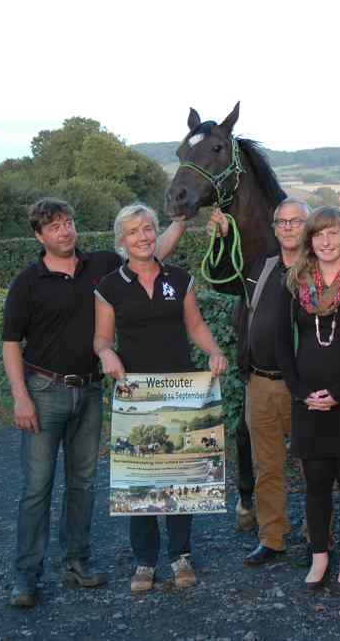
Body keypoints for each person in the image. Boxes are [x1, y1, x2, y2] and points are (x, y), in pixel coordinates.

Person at [1, 198, 188, 607]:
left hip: (88, 391)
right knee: (37, 488)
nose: (64, 231)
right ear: (39, 236)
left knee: (82, 484)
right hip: (44, 392)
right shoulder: (27, 282)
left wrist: (179, 220)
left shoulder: (101, 266)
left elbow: (151, 252)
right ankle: (26, 576)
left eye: (68, 223)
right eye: (53, 227)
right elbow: (11, 342)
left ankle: (76, 564)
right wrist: (20, 397)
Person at [93, 204, 228, 594]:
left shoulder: (179, 278)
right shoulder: (109, 286)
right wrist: (106, 353)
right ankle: (145, 560)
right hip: (137, 394)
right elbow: (102, 338)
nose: (143, 237)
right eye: (134, 231)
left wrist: (215, 350)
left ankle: (180, 554)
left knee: (182, 475)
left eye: (148, 228)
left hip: (183, 389)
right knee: (141, 480)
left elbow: (196, 325)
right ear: (122, 240)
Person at [276, 207, 340, 594]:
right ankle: (320, 556)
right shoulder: (293, 284)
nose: (326, 241)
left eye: (333, 233)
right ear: (310, 241)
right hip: (308, 404)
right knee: (316, 482)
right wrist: (303, 393)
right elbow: (281, 345)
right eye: (319, 234)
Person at [212, 199, 312, 565]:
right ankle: (272, 537)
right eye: (281, 222)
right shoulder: (263, 265)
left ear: (308, 225)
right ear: (274, 228)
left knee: (312, 463)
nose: (287, 228)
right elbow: (221, 277)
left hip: (303, 384)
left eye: (295, 221)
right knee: (266, 465)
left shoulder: (319, 268)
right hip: (260, 382)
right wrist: (223, 238)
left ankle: (317, 536)